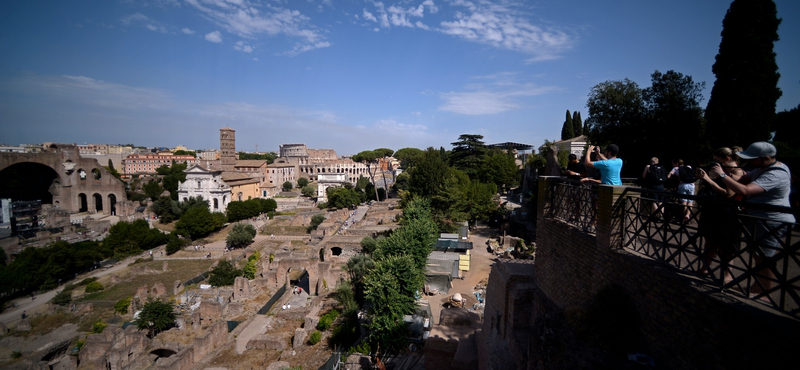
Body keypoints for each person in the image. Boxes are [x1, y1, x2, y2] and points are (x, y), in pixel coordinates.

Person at [707, 141, 795, 300]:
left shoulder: (775, 173)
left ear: (766, 158)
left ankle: (764, 291)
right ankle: (760, 286)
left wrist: (722, 174)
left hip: (772, 219)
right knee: (758, 254)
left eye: (753, 158)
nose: (749, 162)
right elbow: (744, 179)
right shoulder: (763, 168)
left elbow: (744, 190)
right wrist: (730, 170)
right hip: (762, 218)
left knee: (763, 256)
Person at [695, 147, 745, 283]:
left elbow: (728, 193)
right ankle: (705, 268)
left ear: (726, 159)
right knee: (709, 242)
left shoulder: (737, 172)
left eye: (717, 161)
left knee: (726, 247)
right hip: (713, 210)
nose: (715, 164)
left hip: (728, 213)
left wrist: (710, 180)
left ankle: (727, 275)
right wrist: (704, 178)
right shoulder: (720, 171)